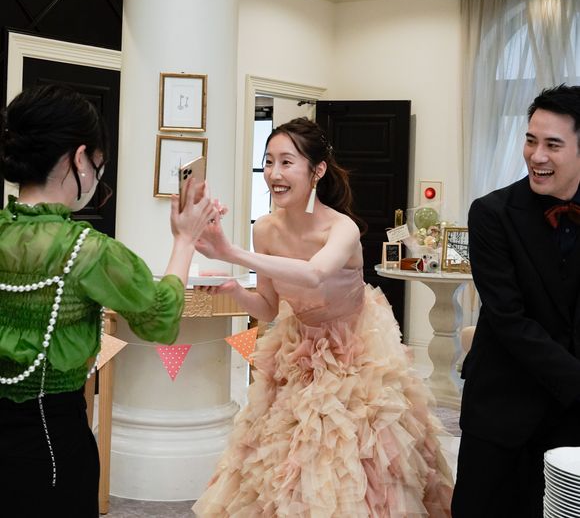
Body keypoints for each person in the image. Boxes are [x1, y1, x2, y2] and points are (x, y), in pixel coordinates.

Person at [192, 117, 453, 517]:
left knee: (351, 460)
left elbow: (314, 273)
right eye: (269, 162)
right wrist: (235, 290)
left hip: (355, 354)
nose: (274, 174)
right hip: (297, 351)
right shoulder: (265, 230)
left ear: (317, 171)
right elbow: (268, 307)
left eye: (286, 162)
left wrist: (231, 254)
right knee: (282, 461)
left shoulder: (341, 228)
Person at [0, 84, 217, 517]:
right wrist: (184, 240)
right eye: (99, 164)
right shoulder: (89, 250)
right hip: (52, 441)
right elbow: (160, 318)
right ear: (80, 158)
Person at [452, 84, 580, 517]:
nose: (536, 155)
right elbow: (509, 319)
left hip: (572, 419)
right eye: (530, 140)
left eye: (553, 145)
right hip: (502, 408)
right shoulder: (492, 213)